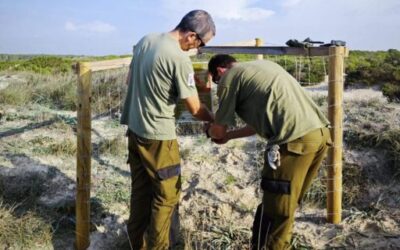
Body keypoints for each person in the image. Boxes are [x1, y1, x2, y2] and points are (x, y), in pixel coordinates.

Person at [206, 54, 332, 250]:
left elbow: (218, 130)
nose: (217, 84)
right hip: (319, 135)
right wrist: (230, 136)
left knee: (276, 210)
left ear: (219, 71)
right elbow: (260, 123)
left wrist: (210, 128)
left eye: (216, 80)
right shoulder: (263, 67)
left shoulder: (229, 78)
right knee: (287, 204)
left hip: (293, 142)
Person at [121, 10, 216, 249]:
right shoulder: (179, 58)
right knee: (167, 196)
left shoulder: (146, 40)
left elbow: (129, 79)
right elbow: (194, 108)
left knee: (141, 192)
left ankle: (135, 243)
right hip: (159, 137)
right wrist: (214, 120)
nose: (197, 49)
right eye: (200, 43)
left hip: (135, 130)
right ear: (191, 36)